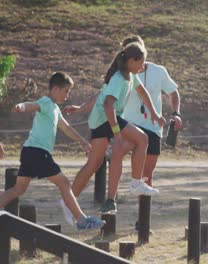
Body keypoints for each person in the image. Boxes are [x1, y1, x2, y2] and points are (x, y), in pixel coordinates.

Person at [60, 43, 165, 225]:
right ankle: (136, 183)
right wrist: (116, 132)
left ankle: (67, 202)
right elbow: (108, 105)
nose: (143, 66)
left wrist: (155, 114)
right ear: (132, 61)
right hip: (106, 119)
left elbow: (141, 93)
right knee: (143, 138)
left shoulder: (130, 76)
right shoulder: (119, 78)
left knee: (94, 163)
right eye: (141, 62)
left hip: (100, 120)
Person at [0, 72, 105, 230]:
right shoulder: (46, 102)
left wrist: (82, 141)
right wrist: (22, 106)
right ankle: (82, 220)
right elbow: (33, 105)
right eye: (66, 91)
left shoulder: (55, 109)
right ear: (56, 89)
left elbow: (66, 128)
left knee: (18, 189)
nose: (67, 95)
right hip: (38, 152)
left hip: (29, 151)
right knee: (64, 183)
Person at [119, 35, 182, 231]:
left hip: (153, 127)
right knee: (113, 163)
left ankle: (142, 221)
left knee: (146, 175)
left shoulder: (158, 71)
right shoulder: (120, 74)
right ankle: (107, 208)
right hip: (128, 125)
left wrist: (176, 113)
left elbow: (173, 93)